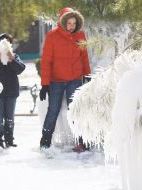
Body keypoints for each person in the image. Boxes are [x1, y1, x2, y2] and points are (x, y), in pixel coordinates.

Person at [39, 7, 91, 152]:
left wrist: (87, 74)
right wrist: (45, 84)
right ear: (62, 22)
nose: (72, 26)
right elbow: (46, 61)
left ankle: (82, 141)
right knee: (53, 110)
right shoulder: (52, 36)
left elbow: (84, 56)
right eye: (69, 23)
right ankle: (45, 141)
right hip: (57, 81)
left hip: (75, 79)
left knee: (74, 110)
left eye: (74, 23)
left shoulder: (80, 35)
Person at [0, 33, 25, 148]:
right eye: (1, 42)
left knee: (10, 117)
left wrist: (12, 59)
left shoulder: (14, 56)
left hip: (11, 91)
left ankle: (9, 139)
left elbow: (20, 69)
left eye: (7, 42)